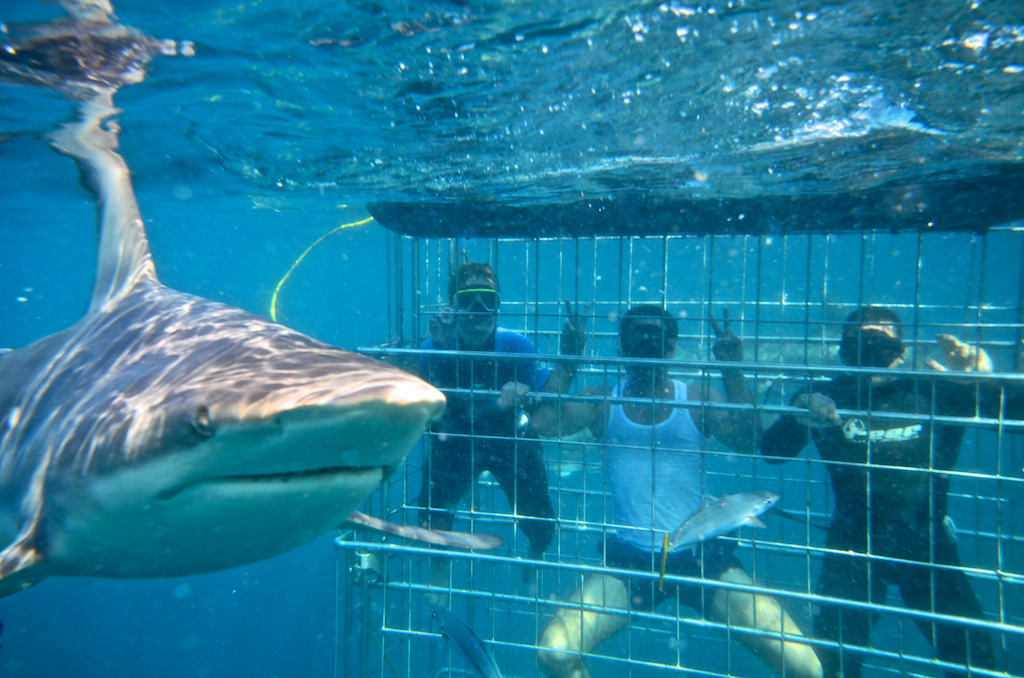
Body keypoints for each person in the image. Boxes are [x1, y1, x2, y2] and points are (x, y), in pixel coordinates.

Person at [532, 305, 823, 678]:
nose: (647, 344)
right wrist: (568, 360)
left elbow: (749, 440)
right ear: (622, 347)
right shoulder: (602, 401)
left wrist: (731, 368)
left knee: (808, 668)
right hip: (631, 559)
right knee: (554, 653)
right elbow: (542, 423)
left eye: (656, 337)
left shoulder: (698, 399)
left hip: (701, 555)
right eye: (638, 337)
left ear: (671, 347)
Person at [761, 306, 1024, 678]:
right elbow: (772, 453)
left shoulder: (937, 388)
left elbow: (1017, 418)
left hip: (926, 543)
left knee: (973, 660)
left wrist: (986, 380)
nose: (869, 347)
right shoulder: (824, 396)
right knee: (832, 663)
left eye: (880, 339)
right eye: (858, 339)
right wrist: (798, 414)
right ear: (842, 349)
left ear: (902, 349)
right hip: (853, 546)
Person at [418, 262, 586, 586]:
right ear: (452, 306)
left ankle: (536, 550)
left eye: (487, 300)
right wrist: (440, 347)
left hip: (507, 439)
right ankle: (438, 562)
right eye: (468, 301)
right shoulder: (434, 345)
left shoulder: (516, 346)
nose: (477, 311)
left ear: (498, 304)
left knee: (540, 521)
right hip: (453, 440)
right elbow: (419, 399)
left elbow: (549, 400)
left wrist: (569, 361)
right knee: (431, 514)